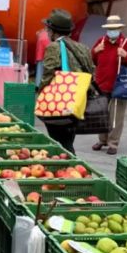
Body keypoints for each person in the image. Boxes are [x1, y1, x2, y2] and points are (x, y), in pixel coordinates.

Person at [38, 9, 94, 155]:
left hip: (59, 103)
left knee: (62, 144)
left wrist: (41, 93)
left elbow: (48, 74)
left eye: (47, 29)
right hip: (78, 103)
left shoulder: (54, 47)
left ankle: (71, 170)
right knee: (68, 140)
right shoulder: (83, 48)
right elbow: (91, 73)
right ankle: (70, 169)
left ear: (52, 31)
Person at [90, 15, 127, 155]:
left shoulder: (126, 43)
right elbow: (91, 59)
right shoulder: (100, 42)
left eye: (115, 29)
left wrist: (126, 55)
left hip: (119, 86)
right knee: (101, 114)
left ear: (119, 29)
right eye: (110, 29)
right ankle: (102, 140)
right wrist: (95, 51)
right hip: (101, 84)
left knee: (116, 116)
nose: (112, 31)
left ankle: (113, 143)